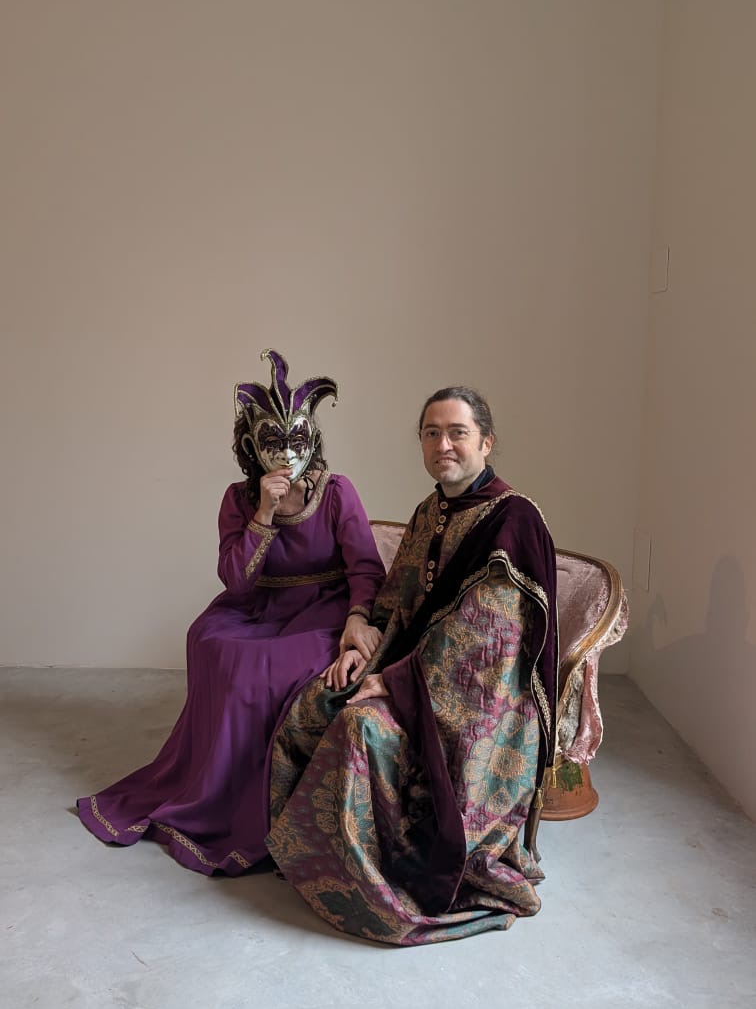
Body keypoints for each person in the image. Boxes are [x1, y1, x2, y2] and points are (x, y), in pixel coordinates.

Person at [266, 386, 558, 944]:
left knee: (359, 726)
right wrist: (361, 642)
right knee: (312, 704)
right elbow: (398, 599)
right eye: (431, 433)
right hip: (414, 669)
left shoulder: (512, 521)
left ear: (486, 442)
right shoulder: (431, 510)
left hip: (483, 701)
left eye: (457, 433)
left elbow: (484, 641)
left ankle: (370, 878)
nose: (442, 444)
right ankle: (306, 856)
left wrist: (391, 681)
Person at [77, 349, 386, 874]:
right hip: (258, 606)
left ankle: (261, 797)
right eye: (272, 442)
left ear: (312, 438)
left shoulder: (337, 492)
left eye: (296, 441)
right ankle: (210, 786)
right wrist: (263, 513)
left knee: (262, 669)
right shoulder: (238, 500)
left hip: (324, 609)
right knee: (210, 642)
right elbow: (237, 581)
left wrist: (358, 616)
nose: (285, 454)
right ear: (250, 446)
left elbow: (366, 567)